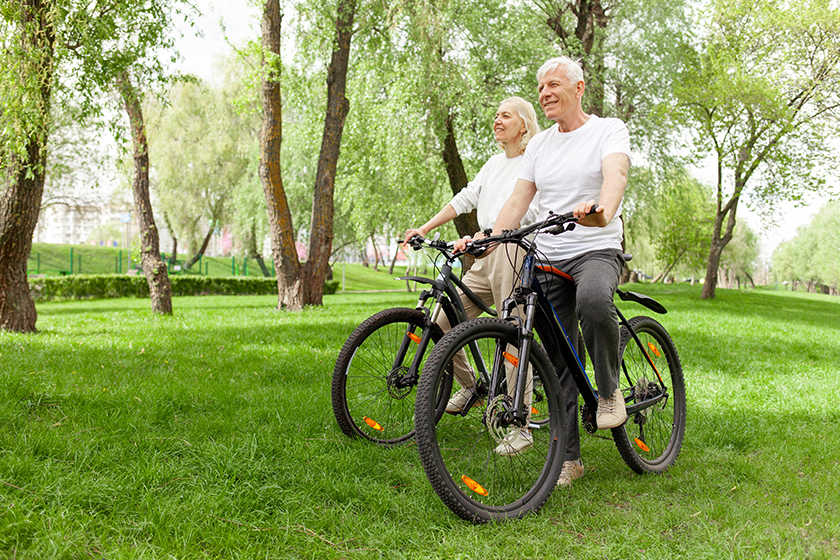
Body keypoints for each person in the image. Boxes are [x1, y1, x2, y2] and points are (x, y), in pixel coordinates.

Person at [456, 56, 632, 487]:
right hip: (549, 255)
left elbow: (616, 175)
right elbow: (517, 202)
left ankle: (609, 392)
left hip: (595, 246)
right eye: (540, 88)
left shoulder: (608, 130)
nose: (545, 93)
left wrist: (602, 211)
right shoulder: (539, 145)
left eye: (554, 84)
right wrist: (490, 238)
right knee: (556, 361)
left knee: (593, 301)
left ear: (578, 88)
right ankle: (569, 458)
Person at [403, 97, 540, 456]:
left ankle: (520, 426)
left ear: (523, 125)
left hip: (513, 250)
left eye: (505, 116)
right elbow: (465, 199)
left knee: (512, 334)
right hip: (484, 254)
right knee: (444, 324)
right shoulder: (495, 163)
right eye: (495, 115)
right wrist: (425, 226)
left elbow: (531, 210)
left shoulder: (532, 161)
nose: (497, 120)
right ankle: (475, 387)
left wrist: (489, 235)